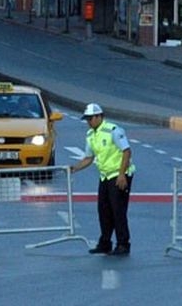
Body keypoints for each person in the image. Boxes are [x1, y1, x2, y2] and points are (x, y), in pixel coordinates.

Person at [70, 103, 136, 256]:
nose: (88, 121)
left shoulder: (113, 130)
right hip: (105, 176)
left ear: (99, 116)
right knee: (103, 210)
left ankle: (123, 244)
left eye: (90, 118)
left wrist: (121, 174)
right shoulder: (90, 135)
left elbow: (126, 152)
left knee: (118, 211)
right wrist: (73, 168)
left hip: (119, 175)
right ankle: (105, 243)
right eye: (87, 119)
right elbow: (88, 158)